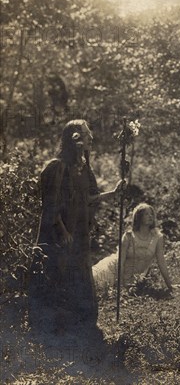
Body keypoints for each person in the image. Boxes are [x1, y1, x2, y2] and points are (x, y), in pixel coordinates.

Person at [28, 119, 125, 334]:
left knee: (79, 275)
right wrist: (63, 231)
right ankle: (57, 330)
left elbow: (87, 198)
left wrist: (113, 193)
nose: (91, 137)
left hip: (80, 235)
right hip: (60, 237)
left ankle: (81, 327)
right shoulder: (57, 167)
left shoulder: (82, 168)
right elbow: (50, 205)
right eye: (86, 134)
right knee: (59, 276)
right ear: (75, 139)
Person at [92, 203, 174, 293]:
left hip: (130, 279)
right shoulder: (128, 236)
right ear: (138, 217)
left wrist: (169, 285)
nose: (150, 216)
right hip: (112, 270)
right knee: (90, 283)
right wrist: (122, 286)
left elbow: (161, 262)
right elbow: (120, 262)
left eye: (151, 214)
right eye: (146, 214)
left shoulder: (157, 237)